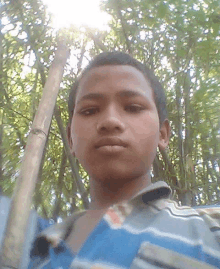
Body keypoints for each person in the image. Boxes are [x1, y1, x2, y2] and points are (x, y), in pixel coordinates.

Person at [28, 52, 220, 268]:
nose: (110, 121)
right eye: (90, 110)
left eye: (133, 107)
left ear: (162, 134)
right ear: (71, 138)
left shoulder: (209, 229)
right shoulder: (28, 248)